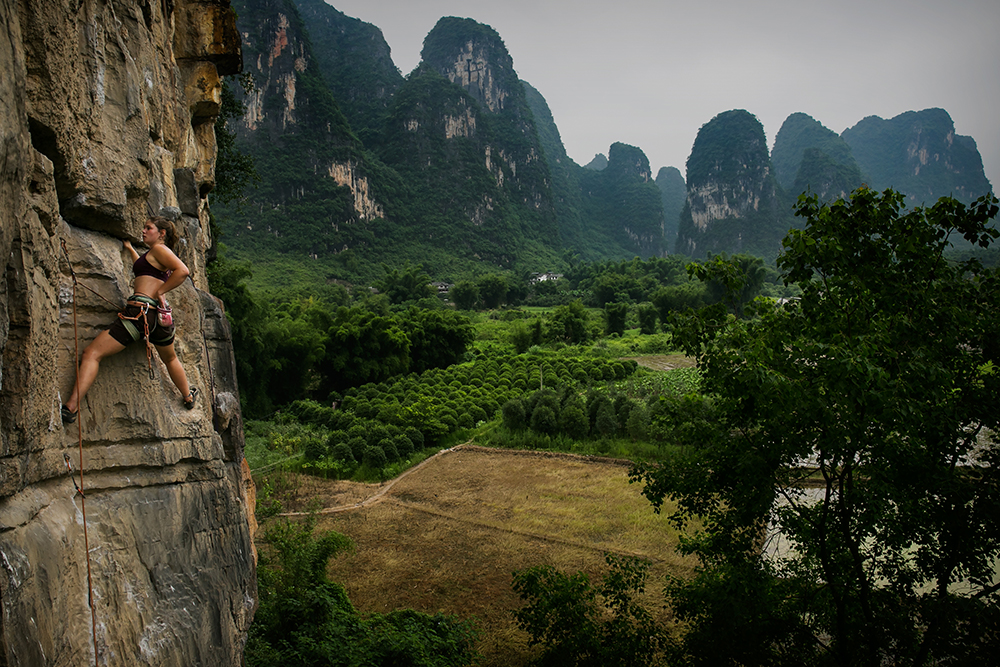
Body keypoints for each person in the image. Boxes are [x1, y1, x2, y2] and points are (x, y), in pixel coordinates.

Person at [62, 217, 198, 424]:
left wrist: (160, 291)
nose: (143, 231)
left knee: (92, 353)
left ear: (161, 233)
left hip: (139, 315)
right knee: (170, 358)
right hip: (157, 319)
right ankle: (188, 396)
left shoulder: (161, 250)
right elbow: (143, 267)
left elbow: (183, 271)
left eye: (148, 228)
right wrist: (129, 249)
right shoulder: (154, 255)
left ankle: (71, 407)